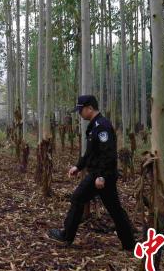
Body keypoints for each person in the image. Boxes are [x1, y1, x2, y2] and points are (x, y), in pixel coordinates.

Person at [47, 95, 136, 251]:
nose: (80, 114)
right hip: (100, 174)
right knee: (115, 209)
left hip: (100, 175)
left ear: (89, 108)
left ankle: (66, 236)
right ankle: (129, 243)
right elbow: (90, 153)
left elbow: (108, 154)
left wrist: (101, 175)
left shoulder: (102, 126)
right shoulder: (95, 126)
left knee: (77, 198)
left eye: (81, 110)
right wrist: (78, 167)